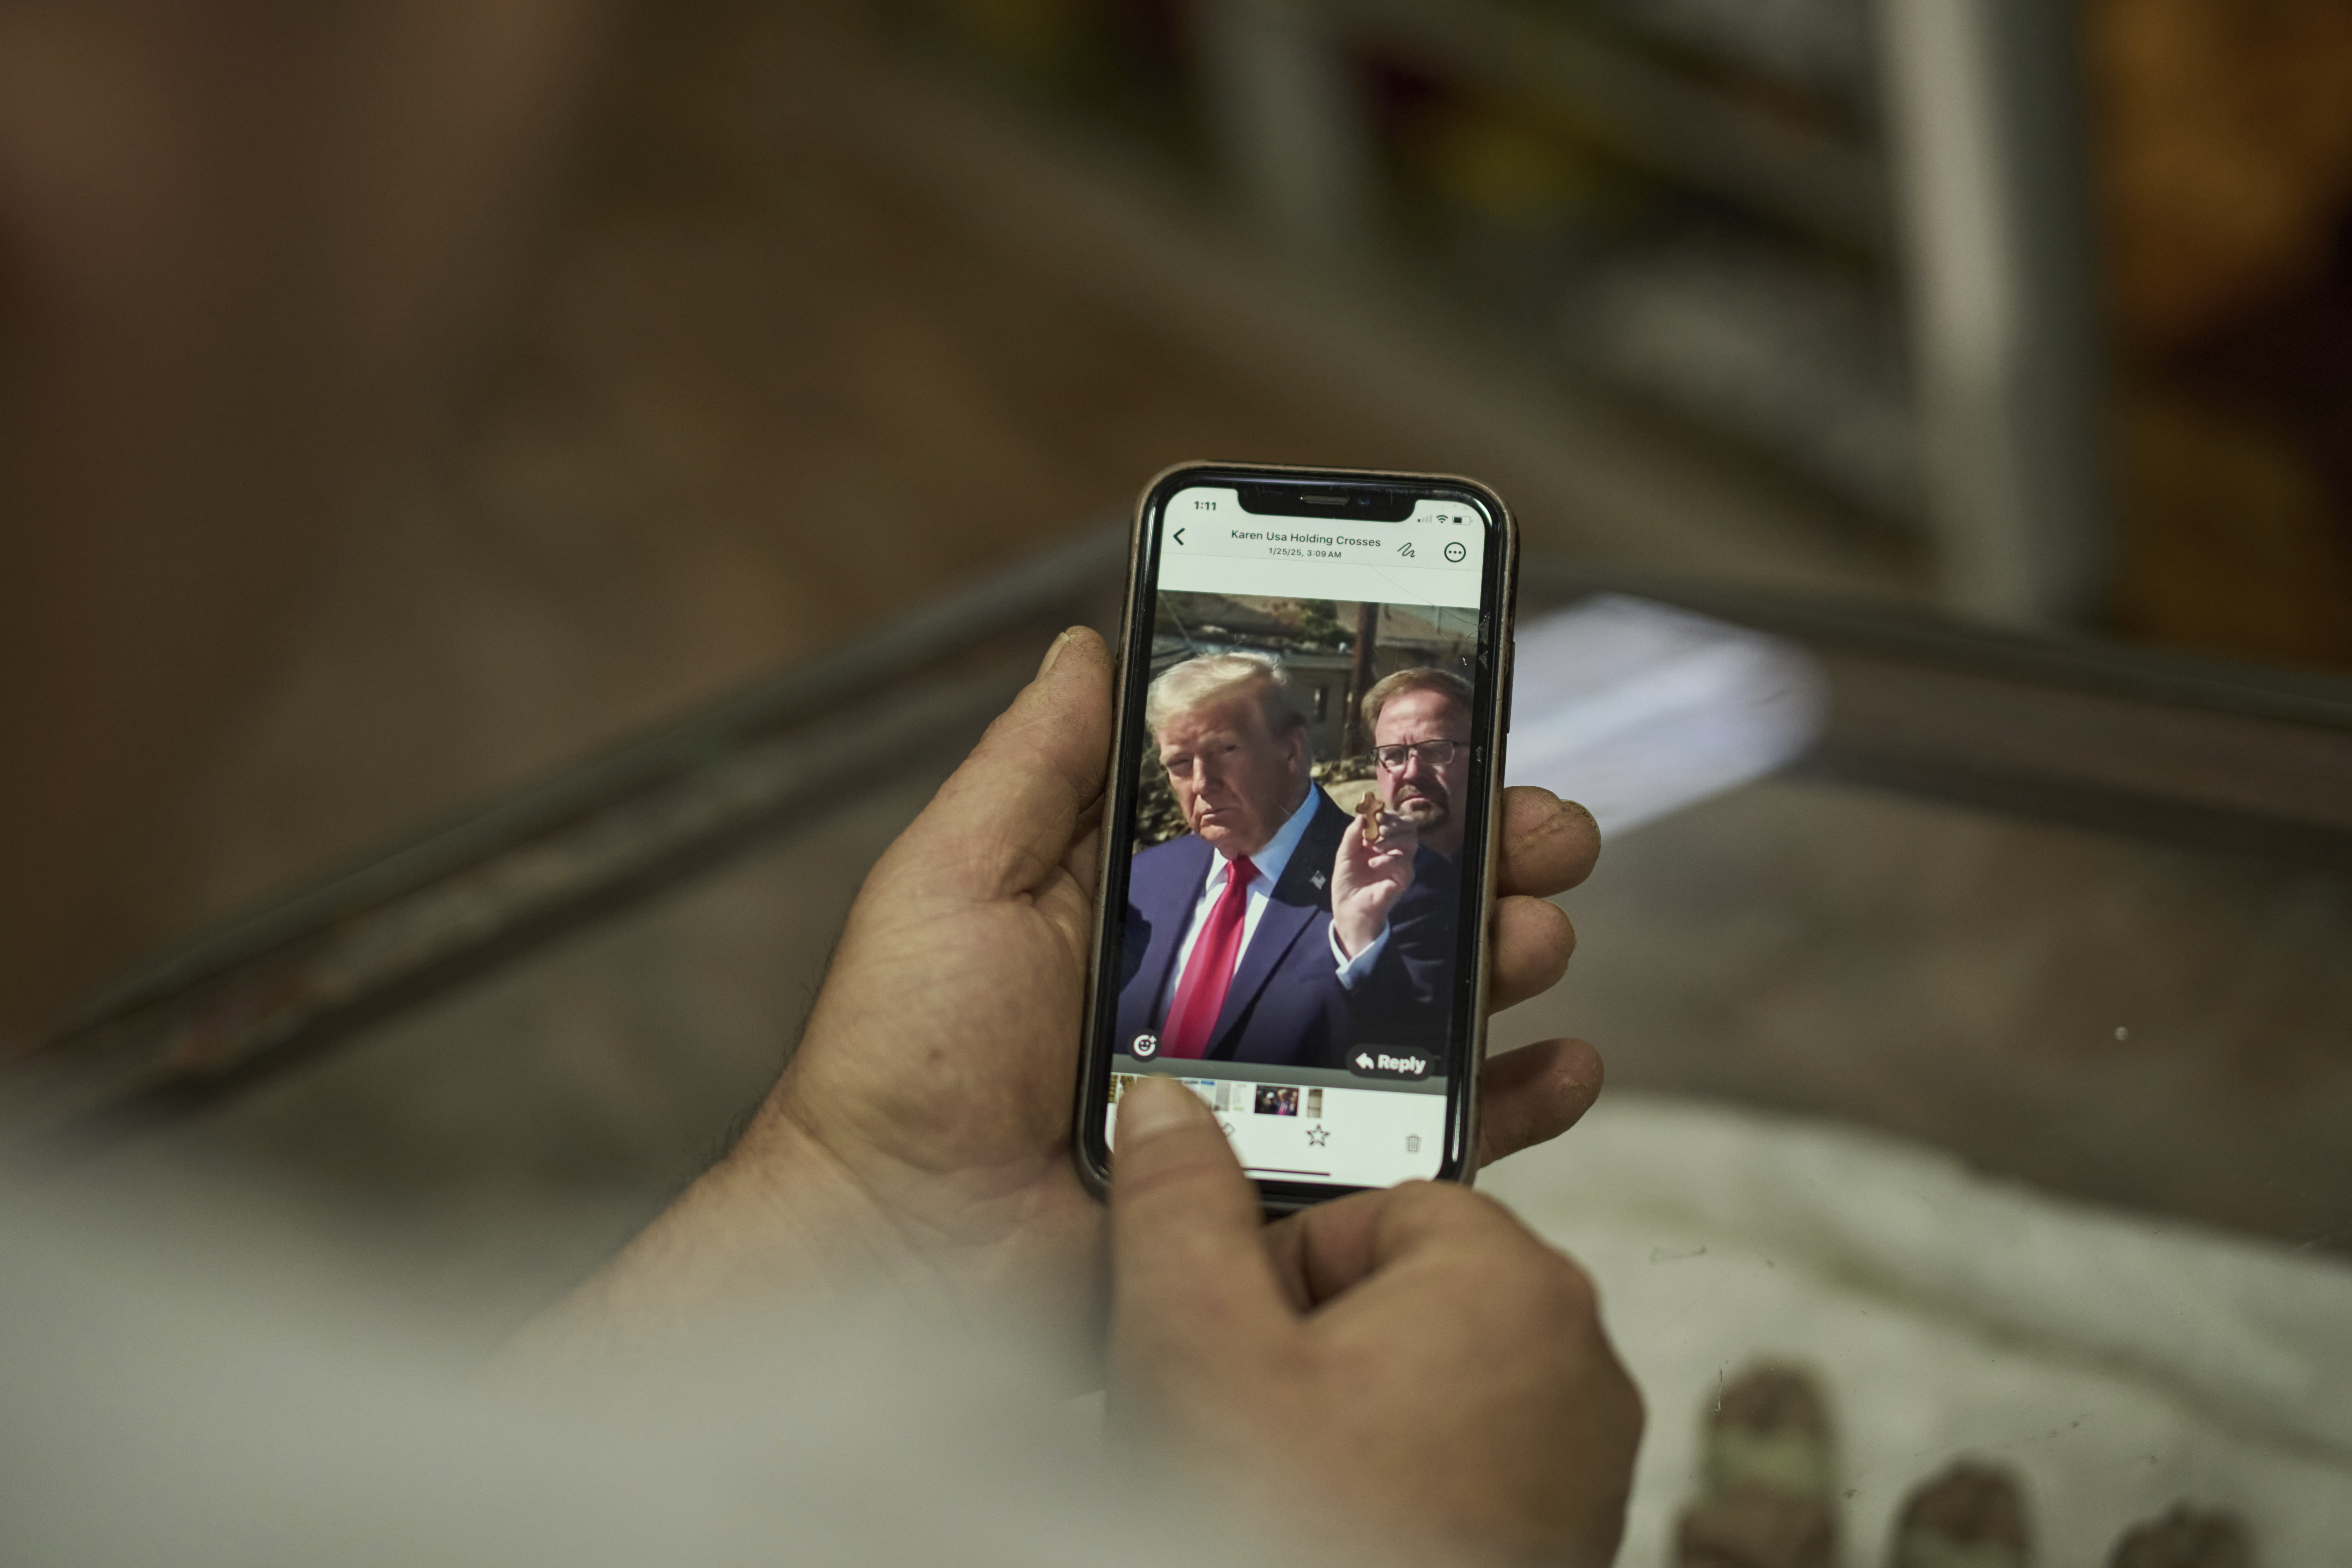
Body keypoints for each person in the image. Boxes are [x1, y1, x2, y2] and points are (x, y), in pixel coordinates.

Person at [1115, 652, 1405, 1068]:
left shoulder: (1395, 877)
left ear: (1291, 749)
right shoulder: (1143, 880)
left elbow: (1411, 1041)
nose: (1201, 782)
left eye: (1225, 750)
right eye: (1180, 763)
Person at [1333, 667, 1479, 1046]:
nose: (1412, 771)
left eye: (1436, 750)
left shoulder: (1506, 870)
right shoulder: (1342, 876)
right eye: (1394, 755)